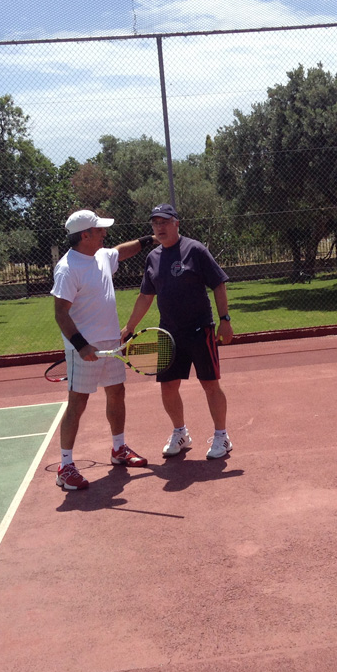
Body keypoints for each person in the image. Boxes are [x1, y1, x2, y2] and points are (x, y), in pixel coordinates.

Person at [52, 209, 155, 491]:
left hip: (111, 344)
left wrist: (149, 240)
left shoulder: (101, 256)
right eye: (99, 230)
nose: (104, 234)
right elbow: (60, 313)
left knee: (117, 392)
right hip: (84, 348)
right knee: (78, 403)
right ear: (85, 235)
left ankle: (119, 449)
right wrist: (80, 345)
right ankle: (65, 466)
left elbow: (121, 252)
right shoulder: (68, 268)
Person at [124, 203, 235, 460]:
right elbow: (145, 296)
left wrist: (225, 320)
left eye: (164, 222)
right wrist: (129, 326)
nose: (159, 227)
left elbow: (218, 284)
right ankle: (180, 433)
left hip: (200, 329)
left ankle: (222, 436)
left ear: (176, 223)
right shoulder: (153, 258)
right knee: (168, 387)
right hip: (169, 334)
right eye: (155, 223)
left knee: (210, 384)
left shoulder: (195, 250)